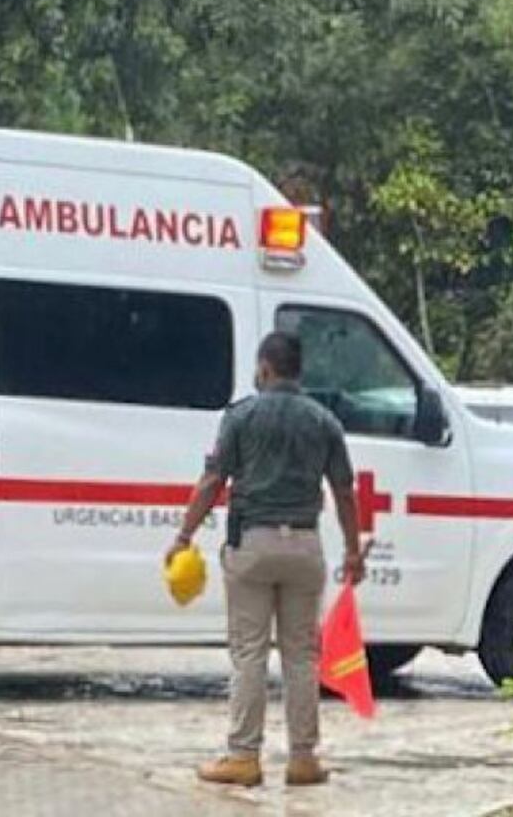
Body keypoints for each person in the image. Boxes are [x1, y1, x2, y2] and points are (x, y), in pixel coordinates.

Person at [165, 330, 364, 788]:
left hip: (252, 544)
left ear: (265, 368)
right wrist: (353, 550)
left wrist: (184, 534)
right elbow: (344, 492)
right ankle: (302, 759)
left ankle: (243, 757)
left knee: (250, 653)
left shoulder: (242, 416)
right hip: (305, 547)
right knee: (301, 656)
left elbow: (213, 480)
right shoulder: (324, 422)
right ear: (298, 371)